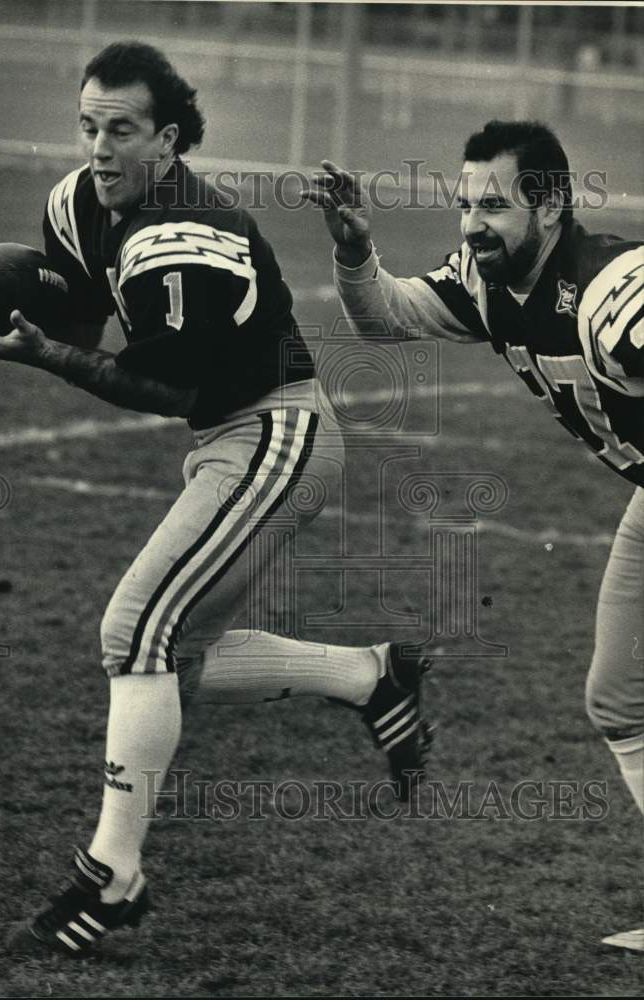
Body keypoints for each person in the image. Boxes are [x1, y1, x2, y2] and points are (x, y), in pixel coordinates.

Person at [0, 42, 432, 957]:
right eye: (88, 125)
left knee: (134, 633)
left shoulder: (193, 236)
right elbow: (81, 315)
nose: (98, 147)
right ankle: (371, 676)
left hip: (276, 432)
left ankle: (113, 874)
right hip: (230, 438)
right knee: (175, 661)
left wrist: (42, 354)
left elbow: (165, 390)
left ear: (167, 141)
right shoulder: (79, 204)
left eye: (121, 129)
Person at [302, 120, 644, 952]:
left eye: (492, 204)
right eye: (464, 204)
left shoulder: (612, 285)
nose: (470, 223)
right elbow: (384, 318)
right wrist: (354, 252)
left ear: (553, 205)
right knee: (619, 698)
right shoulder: (488, 286)